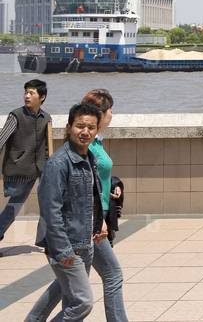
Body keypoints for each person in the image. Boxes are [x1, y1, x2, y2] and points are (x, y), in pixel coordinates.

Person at [29, 90, 128, 321]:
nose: (85, 132)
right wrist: (62, 250)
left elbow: (92, 196)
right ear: (69, 127)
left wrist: (99, 222)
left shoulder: (88, 157)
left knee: (71, 294)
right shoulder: (59, 163)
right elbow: (50, 211)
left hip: (87, 237)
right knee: (82, 302)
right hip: (68, 242)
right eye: (80, 126)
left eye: (90, 128)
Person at [0, 79, 52, 248]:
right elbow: (1, 140)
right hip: (20, 168)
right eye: (26, 92)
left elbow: (48, 145)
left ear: (42, 97)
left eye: (31, 93)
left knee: (49, 203)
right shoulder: (16, 115)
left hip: (42, 168)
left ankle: (44, 239)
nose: (27, 96)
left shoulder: (46, 118)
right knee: (14, 206)